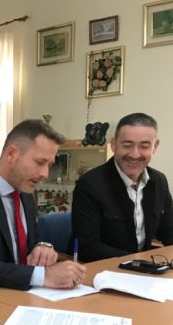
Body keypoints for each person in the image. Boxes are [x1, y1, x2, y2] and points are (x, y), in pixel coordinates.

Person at [0, 119, 85, 290]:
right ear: (11, 154)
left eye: (49, 165)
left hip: (26, 296)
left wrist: (43, 247)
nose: (45, 174)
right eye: (40, 162)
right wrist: (43, 276)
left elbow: (29, 244)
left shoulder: (25, 192)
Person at [71, 112, 173, 262]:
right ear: (113, 144)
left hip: (143, 270)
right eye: (127, 145)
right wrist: (139, 261)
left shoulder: (159, 181)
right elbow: (88, 247)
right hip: (103, 269)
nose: (134, 154)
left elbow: (169, 231)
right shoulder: (90, 184)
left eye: (144, 146)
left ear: (155, 147)